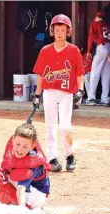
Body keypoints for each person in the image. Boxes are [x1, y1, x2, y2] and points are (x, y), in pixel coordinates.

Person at [32, 14, 84, 172]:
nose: (60, 32)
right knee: (50, 127)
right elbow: (40, 74)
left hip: (67, 93)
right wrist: (37, 95)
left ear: (68, 31)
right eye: (57, 29)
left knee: (65, 128)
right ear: (52, 31)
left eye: (63, 29)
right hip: (49, 92)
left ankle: (69, 155)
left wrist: (80, 91)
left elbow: (79, 74)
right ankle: (52, 158)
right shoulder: (45, 51)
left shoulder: (73, 50)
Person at [0, 123, 51, 211]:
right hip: (27, 189)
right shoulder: (12, 149)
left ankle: (30, 213)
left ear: (32, 146)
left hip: (36, 195)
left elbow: (21, 191)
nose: (20, 149)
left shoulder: (33, 162)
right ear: (13, 140)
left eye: (25, 146)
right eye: (18, 144)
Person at [84, 11, 110, 107]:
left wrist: (89, 51)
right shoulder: (108, 25)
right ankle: (105, 99)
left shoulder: (94, 24)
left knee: (94, 73)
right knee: (106, 75)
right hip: (109, 48)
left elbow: (91, 37)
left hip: (101, 47)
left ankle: (91, 98)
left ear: (97, 17)